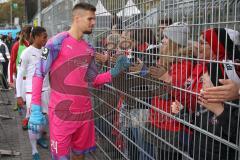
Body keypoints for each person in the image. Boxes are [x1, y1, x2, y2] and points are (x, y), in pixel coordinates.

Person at [29, 2, 130, 160]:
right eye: (90, 19)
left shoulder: (88, 48)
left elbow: (93, 80)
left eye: (94, 19)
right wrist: (35, 107)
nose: (94, 23)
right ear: (77, 18)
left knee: (79, 156)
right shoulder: (56, 43)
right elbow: (38, 73)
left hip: (84, 115)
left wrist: (115, 71)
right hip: (61, 115)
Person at [16, 26, 49, 160]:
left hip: (46, 90)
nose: (46, 39)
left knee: (44, 119)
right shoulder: (27, 53)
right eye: (44, 37)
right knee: (33, 121)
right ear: (35, 37)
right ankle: (34, 150)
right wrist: (19, 95)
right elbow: (20, 75)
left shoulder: (46, 51)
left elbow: (49, 70)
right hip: (31, 92)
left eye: (47, 37)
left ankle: (40, 137)